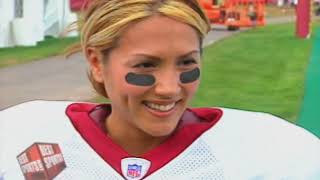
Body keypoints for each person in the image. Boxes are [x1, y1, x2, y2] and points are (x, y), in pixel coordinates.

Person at [1, 0, 320, 179]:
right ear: (97, 62)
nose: (169, 88)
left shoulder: (269, 151)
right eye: (145, 66)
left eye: (186, 63)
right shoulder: (23, 136)